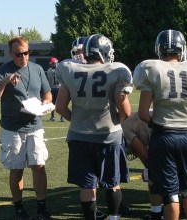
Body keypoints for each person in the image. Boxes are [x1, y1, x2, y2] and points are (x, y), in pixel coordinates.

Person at [133, 29, 187, 220]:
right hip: (186, 135)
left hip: (163, 135)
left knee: (170, 193)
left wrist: (156, 125)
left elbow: (143, 114)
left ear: (159, 49)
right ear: (181, 49)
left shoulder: (151, 69)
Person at [55, 34, 133, 220]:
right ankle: (114, 217)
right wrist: (117, 120)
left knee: (87, 186)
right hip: (108, 135)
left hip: (79, 136)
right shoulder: (117, 70)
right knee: (113, 183)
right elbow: (126, 111)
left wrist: (76, 120)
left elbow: (59, 107)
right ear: (104, 52)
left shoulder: (69, 69)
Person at [0, 36, 52, 220]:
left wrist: (46, 104)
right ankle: (19, 207)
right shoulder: (3, 70)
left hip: (35, 126)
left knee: (39, 166)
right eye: (18, 54)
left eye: (26, 53)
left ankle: (41, 207)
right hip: (13, 129)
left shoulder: (37, 69)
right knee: (17, 169)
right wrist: (5, 81)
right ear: (11, 53)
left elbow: (47, 94)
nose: (23, 57)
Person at [46, 57, 64, 122]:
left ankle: (53, 117)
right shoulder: (61, 69)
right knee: (61, 103)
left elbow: (49, 81)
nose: (51, 65)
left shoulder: (49, 70)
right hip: (59, 88)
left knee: (53, 103)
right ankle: (61, 117)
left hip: (54, 88)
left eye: (52, 63)